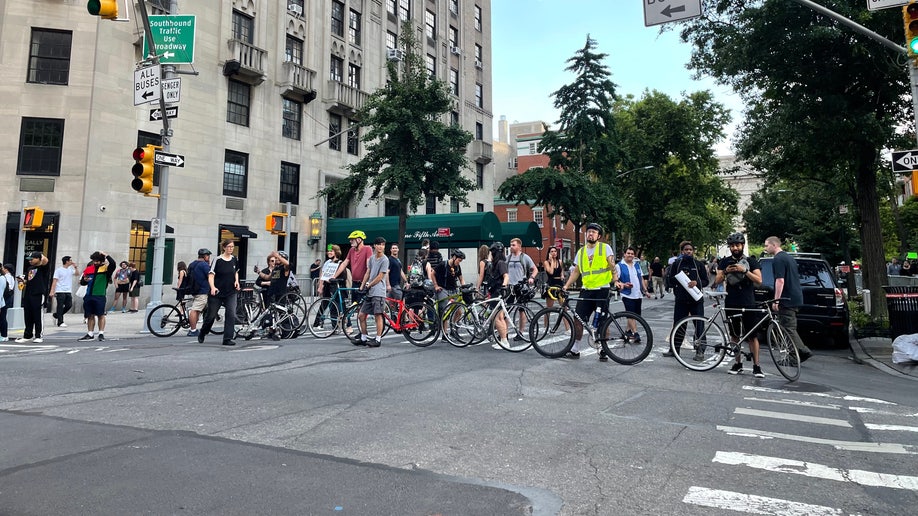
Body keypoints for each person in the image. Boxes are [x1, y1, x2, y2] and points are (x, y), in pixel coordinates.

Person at [562, 223, 615, 360]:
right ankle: (575, 349)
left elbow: (611, 265)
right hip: (586, 290)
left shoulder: (605, 248)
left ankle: (603, 349)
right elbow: (576, 272)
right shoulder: (581, 252)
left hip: (602, 289)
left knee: (603, 321)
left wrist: (616, 280)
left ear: (599, 236)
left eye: (593, 232)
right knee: (578, 319)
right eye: (589, 232)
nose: (590, 234)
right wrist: (566, 285)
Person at [714, 233, 765, 377]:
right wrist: (725, 271)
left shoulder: (751, 261)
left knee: (752, 336)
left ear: (742, 245)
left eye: (737, 245)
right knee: (734, 335)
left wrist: (744, 271)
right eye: (732, 246)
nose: (735, 248)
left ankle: (756, 366)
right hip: (732, 302)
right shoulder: (724, 262)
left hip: (748, 302)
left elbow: (759, 280)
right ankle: (738, 363)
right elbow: (717, 281)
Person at [764, 236, 813, 362]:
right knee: (788, 326)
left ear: (774, 245)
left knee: (788, 328)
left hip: (787, 298)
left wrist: (777, 300)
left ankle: (800, 352)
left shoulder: (778, 259)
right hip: (795, 296)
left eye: (767, 245)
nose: (765, 248)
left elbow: (780, 280)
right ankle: (796, 354)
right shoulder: (788, 257)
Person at [662, 241, 709, 358]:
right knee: (678, 324)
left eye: (690, 250)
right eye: (686, 250)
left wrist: (696, 283)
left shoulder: (698, 265)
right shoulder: (676, 264)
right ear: (682, 251)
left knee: (699, 325)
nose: (688, 251)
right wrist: (679, 280)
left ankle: (700, 351)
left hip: (696, 300)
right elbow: (670, 281)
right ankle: (674, 349)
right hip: (681, 300)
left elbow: (706, 281)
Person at [198, 240, 239, 346]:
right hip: (217, 292)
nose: (231, 249)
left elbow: (236, 273)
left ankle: (227, 338)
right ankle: (203, 331)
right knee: (211, 315)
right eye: (229, 247)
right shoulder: (218, 260)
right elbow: (211, 275)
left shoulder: (234, 259)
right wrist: (212, 287)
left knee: (231, 313)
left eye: (232, 247)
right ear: (224, 247)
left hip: (231, 291)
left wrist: (236, 281)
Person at [356, 237, 389, 347]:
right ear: (374, 246)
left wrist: (368, 285)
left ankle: (378, 339)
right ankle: (364, 337)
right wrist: (362, 286)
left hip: (378, 291)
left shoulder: (385, 260)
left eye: (383, 245)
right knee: (361, 315)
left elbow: (380, 276)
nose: (381, 246)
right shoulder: (371, 259)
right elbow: (368, 272)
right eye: (379, 244)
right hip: (370, 291)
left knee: (378, 315)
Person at [615, 246, 651, 341]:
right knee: (630, 314)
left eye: (632, 254)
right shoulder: (619, 265)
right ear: (624, 254)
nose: (630, 255)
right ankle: (635, 333)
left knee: (636, 315)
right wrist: (623, 285)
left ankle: (628, 331)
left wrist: (645, 290)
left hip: (637, 294)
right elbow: (615, 280)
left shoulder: (636, 265)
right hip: (626, 294)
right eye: (628, 253)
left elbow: (641, 278)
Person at [78, 251, 116, 342]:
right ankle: (90, 333)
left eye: (97, 261)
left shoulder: (106, 269)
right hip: (88, 295)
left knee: (100, 315)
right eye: (94, 260)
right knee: (90, 315)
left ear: (102, 261)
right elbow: (82, 282)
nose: (95, 262)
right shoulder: (88, 269)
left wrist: (106, 255)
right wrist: (85, 280)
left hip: (100, 295)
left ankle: (101, 333)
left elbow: (113, 264)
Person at [15, 252, 50, 343]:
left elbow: (46, 261)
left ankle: (38, 335)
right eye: (29, 259)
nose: (30, 261)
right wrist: (22, 280)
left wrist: (40, 255)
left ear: (38, 259)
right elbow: (28, 279)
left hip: (38, 294)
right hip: (28, 293)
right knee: (28, 315)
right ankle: (27, 335)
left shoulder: (43, 267)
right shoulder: (30, 268)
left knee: (37, 314)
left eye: (32, 259)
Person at [334, 230, 372, 307]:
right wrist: (334, 276)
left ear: (359, 239)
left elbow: (369, 266)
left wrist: (367, 281)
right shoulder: (351, 250)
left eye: (352, 239)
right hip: (354, 282)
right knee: (354, 306)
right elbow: (345, 263)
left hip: (363, 282)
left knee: (362, 307)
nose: (350, 241)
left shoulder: (367, 249)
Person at [486, 242, 511, 350]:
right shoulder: (499, 262)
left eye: (492, 252)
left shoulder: (500, 263)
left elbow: (506, 276)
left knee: (497, 318)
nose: (491, 254)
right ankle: (502, 340)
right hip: (496, 292)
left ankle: (504, 341)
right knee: (499, 317)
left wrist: (504, 286)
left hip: (498, 292)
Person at [313, 244, 342, 327]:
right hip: (326, 285)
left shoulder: (340, 263)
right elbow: (323, 274)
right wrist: (320, 286)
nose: (329, 252)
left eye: (331, 251)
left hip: (334, 286)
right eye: (328, 251)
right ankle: (317, 323)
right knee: (324, 304)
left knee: (334, 306)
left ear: (336, 252)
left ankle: (334, 325)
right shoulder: (327, 262)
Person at [433, 249, 466, 323]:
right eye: (459, 260)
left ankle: (453, 328)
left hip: (453, 290)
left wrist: (464, 286)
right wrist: (436, 285)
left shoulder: (457, 267)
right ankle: (444, 333)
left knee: (459, 312)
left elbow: (461, 278)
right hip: (443, 289)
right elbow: (433, 274)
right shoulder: (443, 264)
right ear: (454, 257)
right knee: (445, 311)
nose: (459, 262)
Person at [185, 249, 212, 337]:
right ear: (205, 256)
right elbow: (210, 276)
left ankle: (194, 328)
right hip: (202, 291)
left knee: (198, 310)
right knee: (195, 310)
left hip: (194, 290)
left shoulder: (192, 264)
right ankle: (193, 330)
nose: (209, 258)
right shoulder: (204, 265)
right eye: (208, 256)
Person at [50, 256, 76, 328]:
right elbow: (54, 281)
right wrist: (52, 291)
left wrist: (75, 267)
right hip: (60, 290)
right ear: (67, 261)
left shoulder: (70, 270)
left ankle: (56, 315)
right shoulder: (58, 270)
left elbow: (77, 274)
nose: (71, 261)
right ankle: (60, 322)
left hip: (68, 290)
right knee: (60, 306)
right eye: (70, 260)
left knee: (69, 305)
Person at [0, 264, 14, 342]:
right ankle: (3, 335)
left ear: (6, 269)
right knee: (3, 317)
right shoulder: (11, 277)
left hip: (4, 299)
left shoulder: (4, 277)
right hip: (7, 298)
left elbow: (2, 290)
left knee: (2, 317)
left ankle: (4, 335)